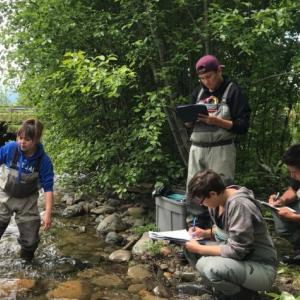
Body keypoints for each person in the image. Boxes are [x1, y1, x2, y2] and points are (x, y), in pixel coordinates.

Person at [181, 170, 277, 300]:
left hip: (260, 266)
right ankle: (220, 289)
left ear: (213, 194)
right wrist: (205, 233)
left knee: (210, 267)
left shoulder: (240, 205)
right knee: (188, 248)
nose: (201, 204)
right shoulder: (217, 202)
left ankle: (245, 296)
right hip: (240, 260)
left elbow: (238, 251)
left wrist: (199, 248)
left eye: (201, 200)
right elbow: (227, 232)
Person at [185, 54, 251, 228]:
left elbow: (243, 126)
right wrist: (189, 120)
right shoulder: (198, 92)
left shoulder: (233, 91)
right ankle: (196, 230)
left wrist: (217, 121)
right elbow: (187, 125)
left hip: (221, 150)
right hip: (197, 148)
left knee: (220, 189)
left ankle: (222, 232)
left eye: (209, 77)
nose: (206, 81)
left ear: (219, 70)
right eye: (202, 78)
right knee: (195, 190)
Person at [0, 118, 54, 262]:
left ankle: (25, 266)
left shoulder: (44, 161)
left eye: (27, 139)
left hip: (28, 201)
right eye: (20, 137)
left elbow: (48, 188)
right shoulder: (10, 148)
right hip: (4, 195)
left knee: (30, 241)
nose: (22, 142)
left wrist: (48, 213)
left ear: (36, 140)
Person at [268, 144, 300, 264]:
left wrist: (294, 217)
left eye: (295, 172)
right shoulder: (297, 176)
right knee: (277, 210)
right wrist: (282, 200)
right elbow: (293, 190)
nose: (292, 176)